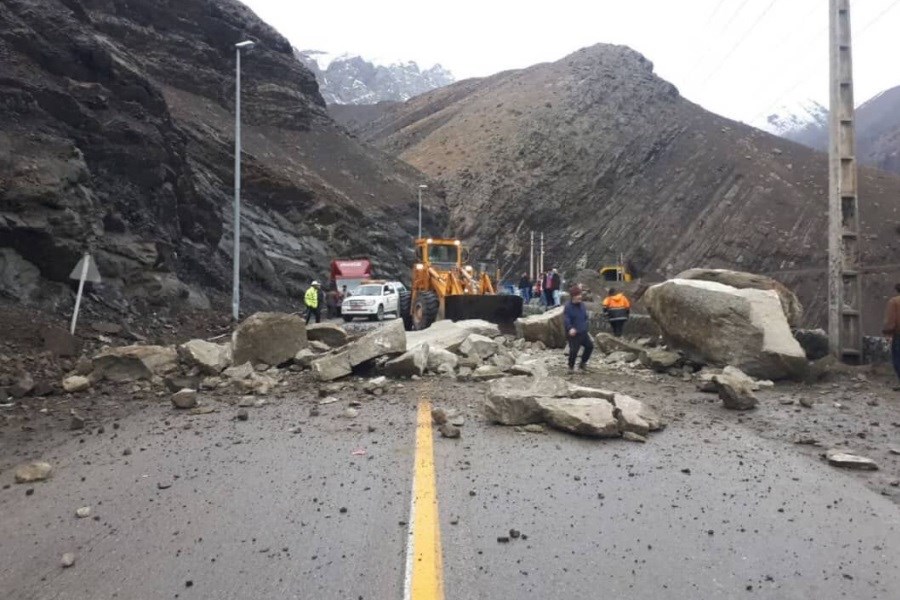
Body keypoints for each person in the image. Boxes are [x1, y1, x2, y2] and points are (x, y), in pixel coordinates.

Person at [564, 285, 593, 372]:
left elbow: (585, 317)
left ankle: (583, 364)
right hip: (574, 333)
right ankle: (570, 367)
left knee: (590, 346)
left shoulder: (582, 305)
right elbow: (566, 319)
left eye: (580, 294)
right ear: (573, 296)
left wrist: (586, 328)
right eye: (578, 295)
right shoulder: (568, 306)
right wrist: (570, 328)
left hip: (583, 332)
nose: (580, 296)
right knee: (574, 351)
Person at [884, 283, 900, 390]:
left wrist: (888, 333)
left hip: (898, 335)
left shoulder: (894, 302)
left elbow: (891, 320)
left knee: (897, 359)